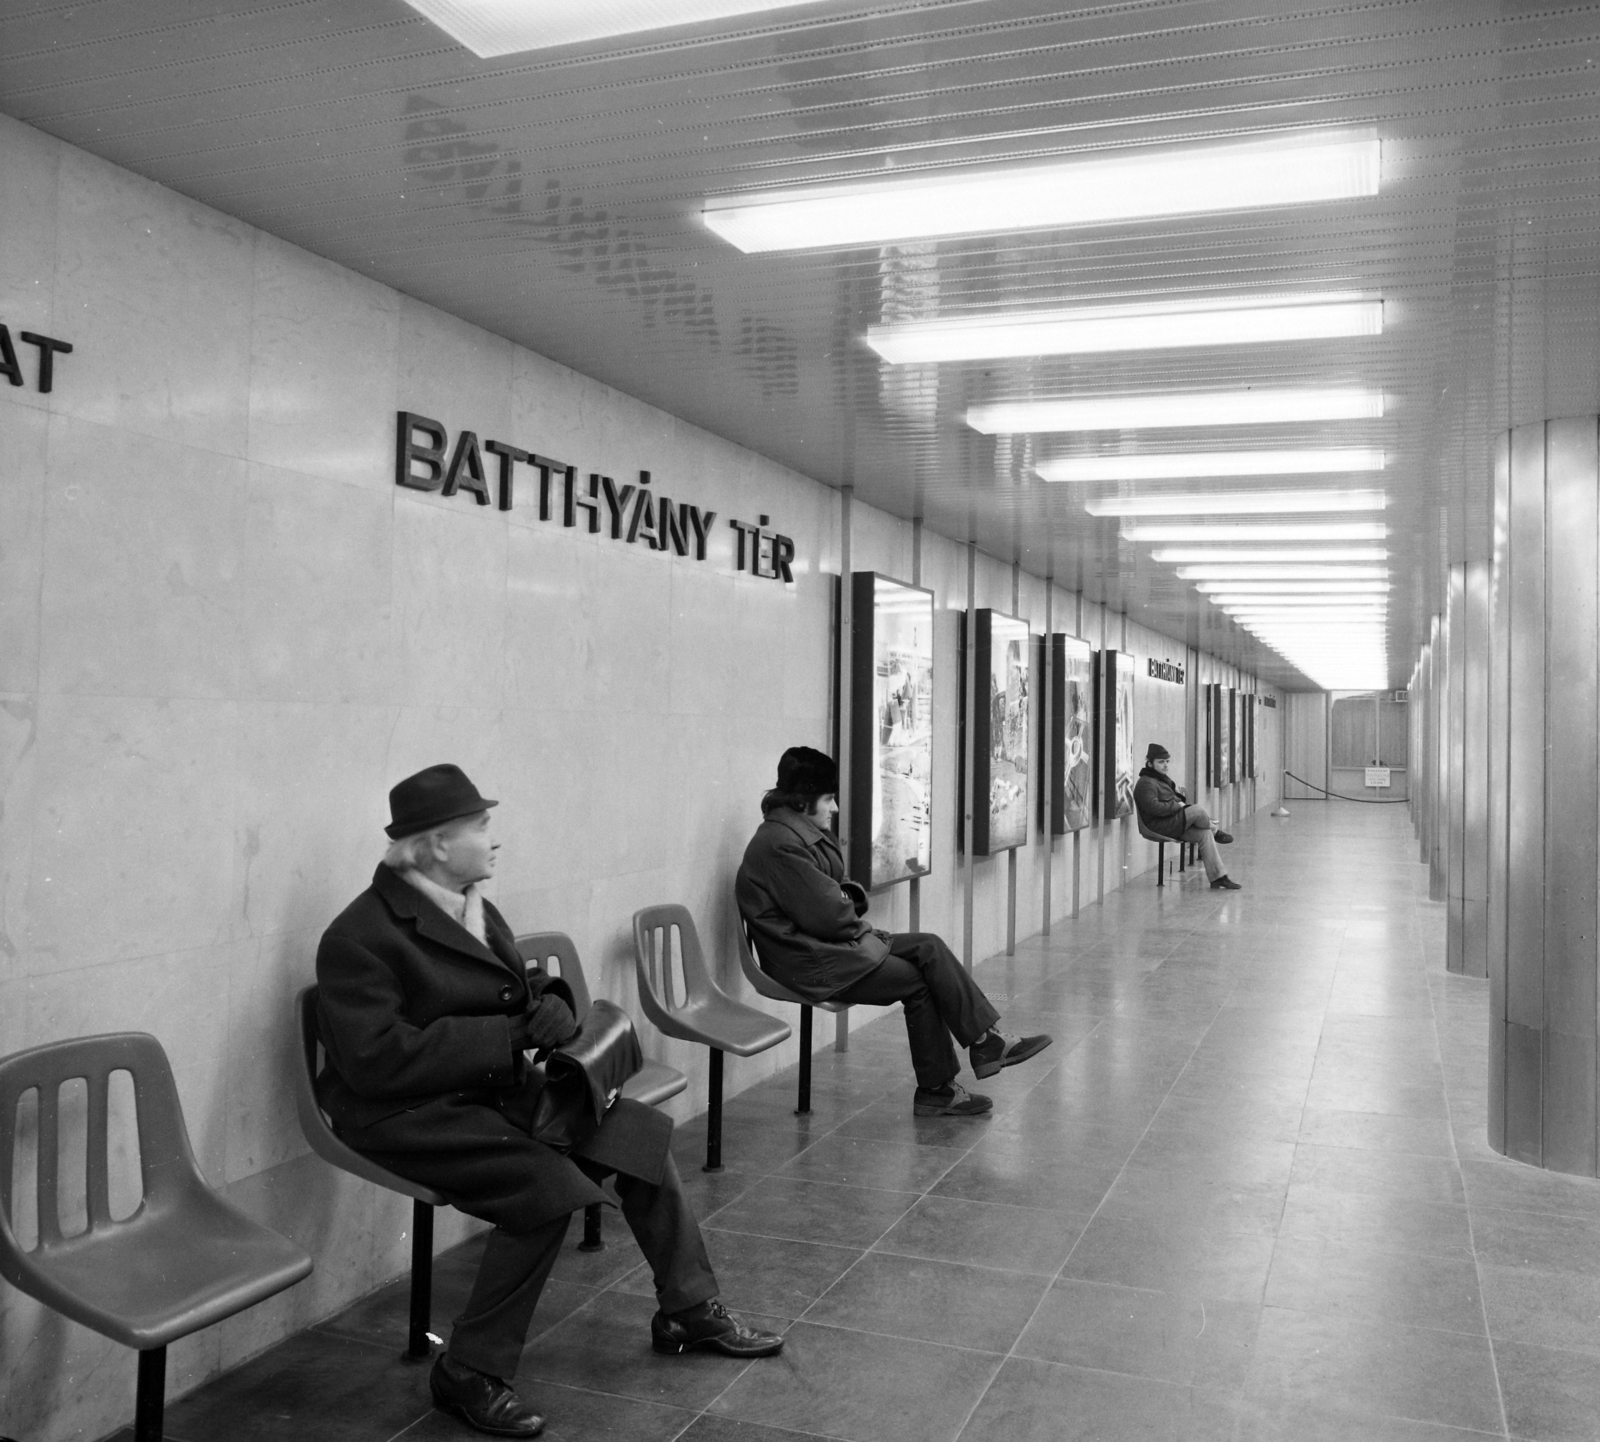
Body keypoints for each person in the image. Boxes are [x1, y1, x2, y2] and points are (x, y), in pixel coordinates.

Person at [316, 764, 781, 1440]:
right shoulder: (359, 936)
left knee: (639, 1137)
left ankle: (688, 1307)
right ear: (438, 844)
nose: (493, 840)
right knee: (543, 1193)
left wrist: (554, 1010)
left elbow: (518, 988)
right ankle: (467, 1371)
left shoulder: (472, 902)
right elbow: (375, 1060)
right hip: (405, 1113)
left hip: (489, 1092)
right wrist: (506, 1036)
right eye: (481, 827)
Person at [736, 746, 1052, 1119]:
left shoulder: (797, 834)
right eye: (828, 799)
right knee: (919, 981)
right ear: (804, 801)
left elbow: (840, 894)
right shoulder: (781, 844)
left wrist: (843, 903)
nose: (835, 808)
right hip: (810, 960)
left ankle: (986, 1042)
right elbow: (831, 914)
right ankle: (940, 1087)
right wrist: (845, 908)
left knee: (929, 946)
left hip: (830, 947)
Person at [1132, 743, 1242, 891]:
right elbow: (1153, 808)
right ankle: (1216, 830)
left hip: (1172, 821)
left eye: (1166, 761)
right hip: (1160, 825)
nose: (1165, 765)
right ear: (1150, 763)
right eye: (1161, 762)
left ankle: (1218, 877)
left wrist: (1178, 805)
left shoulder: (1159, 779)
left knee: (1204, 834)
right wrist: (1177, 806)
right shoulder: (1146, 783)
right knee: (1197, 810)